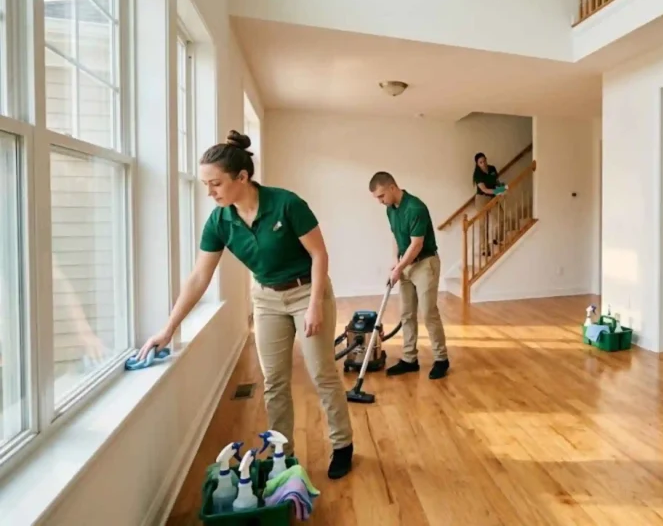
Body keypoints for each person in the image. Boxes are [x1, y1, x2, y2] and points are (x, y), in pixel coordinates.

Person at [138, 130, 356, 479]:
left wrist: (315, 304)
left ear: (242, 177)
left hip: (306, 292)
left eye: (216, 184)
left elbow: (319, 254)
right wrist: (168, 330)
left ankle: (342, 443)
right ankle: (283, 455)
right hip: (267, 299)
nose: (209, 192)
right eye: (206, 184)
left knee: (323, 373)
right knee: (274, 382)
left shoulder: (286, 203)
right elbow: (198, 278)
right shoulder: (220, 220)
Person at [367, 172, 450, 379]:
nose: (380, 201)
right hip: (406, 264)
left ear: (392, 188)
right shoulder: (390, 209)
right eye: (377, 198)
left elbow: (417, 244)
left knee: (428, 312)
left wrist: (399, 268)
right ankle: (409, 359)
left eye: (381, 196)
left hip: (424, 263)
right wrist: (395, 263)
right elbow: (396, 236)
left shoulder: (415, 208)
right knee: (406, 313)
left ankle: (441, 359)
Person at [472, 152, 505, 256]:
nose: (483, 163)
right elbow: (484, 189)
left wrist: (501, 187)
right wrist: (498, 191)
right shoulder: (477, 174)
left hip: (492, 197)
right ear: (477, 164)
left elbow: (496, 181)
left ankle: (497, 238)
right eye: (481, 162)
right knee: (483, 224)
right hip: (482, 198)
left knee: (501, 217)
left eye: (484, 160)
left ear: (486, 159)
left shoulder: (492, 169)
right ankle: (484, 249)